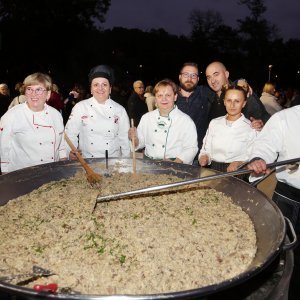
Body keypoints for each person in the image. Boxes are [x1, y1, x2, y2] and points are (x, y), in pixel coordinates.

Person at [247, 105, 300, 300]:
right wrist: (260, 158)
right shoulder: (286, 117)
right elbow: (265, 145)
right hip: (289, 198)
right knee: (282, 257)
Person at [0, 73, 66, 174]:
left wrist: (63, 160)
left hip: (52, 172)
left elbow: (61, 143)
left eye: (39, 89)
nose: (33, 94)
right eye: (29, 89)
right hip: (22, 174)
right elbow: (3, 147)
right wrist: (5, 173)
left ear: (48, 94)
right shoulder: (12, 115)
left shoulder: (55, 114)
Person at [65, 64, 130, 160]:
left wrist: (126, 163)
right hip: (87, 163)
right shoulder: (80, 107)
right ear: (91, 89)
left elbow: (125, 139)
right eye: (96, 85)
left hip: (113, 162)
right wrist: (71, 152)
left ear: (110, 89)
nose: (100, 88)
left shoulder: (120, 110)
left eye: (104, 84)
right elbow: (70, 134)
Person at [128, 79, 198, 164]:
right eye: (160, 95)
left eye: (168, 95)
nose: (163, 99)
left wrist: (176, 163)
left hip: (175, 165)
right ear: (155, 98)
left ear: (175, 97)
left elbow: (191, 148)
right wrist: (135, 139)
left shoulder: (185, 121)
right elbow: (140, 143)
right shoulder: (147, 118)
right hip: (149, 165)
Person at [199, 85, 258, 175]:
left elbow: (254, 154)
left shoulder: (251, 127)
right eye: (229, 100)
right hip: (212, 170)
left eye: (237, 101)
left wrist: (239, 162)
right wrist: (204, 157)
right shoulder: (214, 123)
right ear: (224, 102)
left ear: (244, 103)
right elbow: (206, 150)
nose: (232, 105)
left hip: (237, 172)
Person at [205, 61, 270, 128]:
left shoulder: (242, 93)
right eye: (208, 77)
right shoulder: (209, 97)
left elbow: (266, 119)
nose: (212, 81)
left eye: (216, 74)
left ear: (226, 74)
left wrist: (261, 123)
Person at [176, 62, 210, 152]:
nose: (189, 79)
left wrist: (239, 82)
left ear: (198, 79)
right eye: (186, 74)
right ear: (180, 77)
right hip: (174, 153)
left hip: (198, 154)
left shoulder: (204, 93)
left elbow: (224, 90)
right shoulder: (170, 95)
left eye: (193, 76)